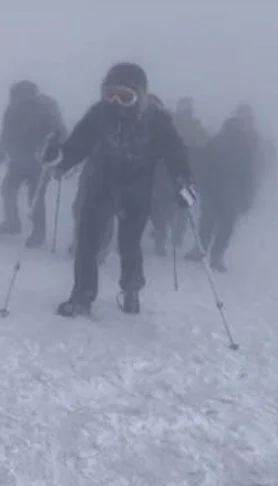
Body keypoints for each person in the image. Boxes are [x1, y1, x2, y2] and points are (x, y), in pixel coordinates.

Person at [39, 62, 198, 317]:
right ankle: (82, 296)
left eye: (125, 97)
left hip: (136, 190)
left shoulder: (156, 121)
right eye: (109, 94)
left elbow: (175, 153)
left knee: (129, 244)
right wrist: (58, 157)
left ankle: (131, 289)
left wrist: (183, 180)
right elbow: (78, 146)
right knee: (88, 243)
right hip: (101, 184)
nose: (115, 102)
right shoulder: (99, 115)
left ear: (140, 96)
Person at [0, 80, 68, 247]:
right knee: (8, 190)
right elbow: (5, 133)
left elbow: (60, 132)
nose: (14, 99)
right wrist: (0, 153)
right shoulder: (11, 111)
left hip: (39, 161)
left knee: (35, 197)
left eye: (17, 96)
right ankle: (12, 223)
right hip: (18, 158)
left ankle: (38, 233)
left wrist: (61, 157)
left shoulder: (44, 110)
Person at [186, 102, 259, 272]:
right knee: (215, 224)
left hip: (223, 191)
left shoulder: (229, 143)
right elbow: (247, 175)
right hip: (219, 191)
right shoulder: (225, 143)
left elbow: (247, 174)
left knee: (217, 224)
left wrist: (247, 195)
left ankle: (210, 253)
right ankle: (209, 253)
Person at [149, 96, 210, 256]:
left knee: (177, 207)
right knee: (162, 207)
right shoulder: (170, 122)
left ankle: (173, 235)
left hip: (180, 171)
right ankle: (163, 238)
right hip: (162, 172)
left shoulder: (194, 127)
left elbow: (203, 150)